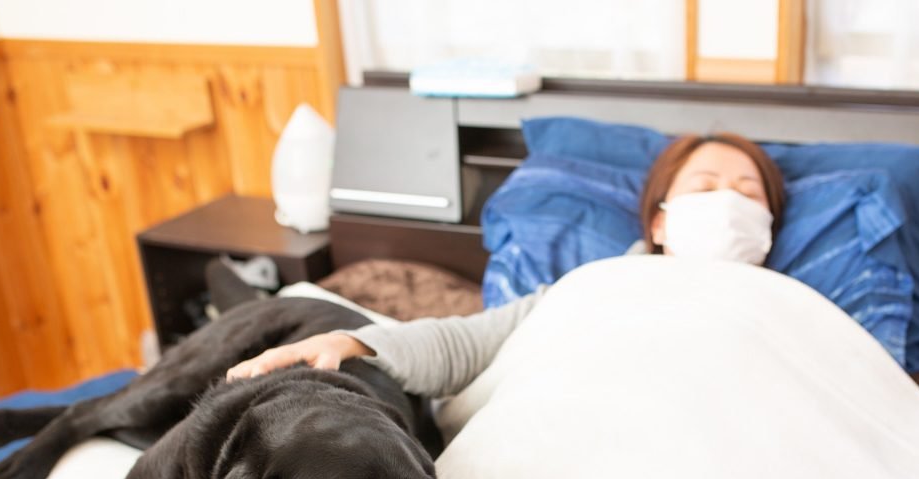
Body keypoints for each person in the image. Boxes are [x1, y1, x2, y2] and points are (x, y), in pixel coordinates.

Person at [225, 133, 787, 398]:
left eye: (746, 192)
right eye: (706, 187)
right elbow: (471, 344)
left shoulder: (798, 315)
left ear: (768, 224)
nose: (727, 204)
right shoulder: (598, 284)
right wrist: (355, 344)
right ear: (660, 222)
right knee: (311, 312)